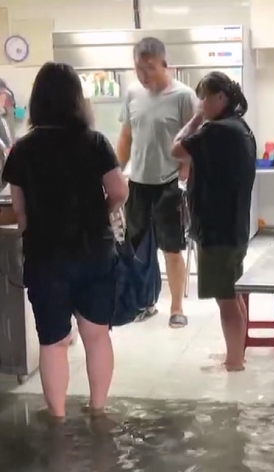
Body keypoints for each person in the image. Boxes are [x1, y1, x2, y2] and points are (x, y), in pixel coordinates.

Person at [1, 62, 129, 419]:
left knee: (54, 343)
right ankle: (98, 408)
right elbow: (119, 190)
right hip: (94, 250)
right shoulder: (95, 142)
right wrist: (100, 211)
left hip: (45, 255)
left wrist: (37, 224)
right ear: (77, 99)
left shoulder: (23, 149)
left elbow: (19, 209)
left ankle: (57, 415)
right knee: (97, 336)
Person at [171, 72, 256, 372]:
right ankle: (236, 354)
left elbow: (176, 150)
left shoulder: (217, 131)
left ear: (222, 97)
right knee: (232, 293)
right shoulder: (240, 128)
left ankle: (234, 361)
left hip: (218, 229)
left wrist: (195, 120)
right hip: (233, 227)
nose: (201, 103)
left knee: (226, 299)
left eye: (205, 97)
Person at [117, 37, 197, 328]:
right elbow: (126, 137)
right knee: (137, 248)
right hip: (137, 182)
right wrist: (116, 172)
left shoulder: (184, 96)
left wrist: (186, 170)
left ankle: (176, 307)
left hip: (169, 183)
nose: (143, 75)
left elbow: (194, 141)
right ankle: (144, 302)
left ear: (165, 65)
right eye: (138, 69)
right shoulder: (132, 94)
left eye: (149, 68)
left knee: (171, 247)